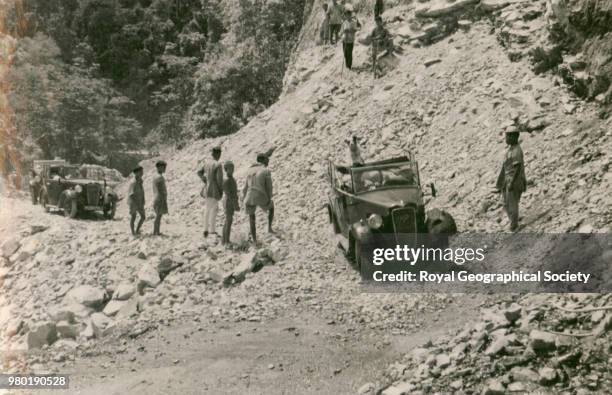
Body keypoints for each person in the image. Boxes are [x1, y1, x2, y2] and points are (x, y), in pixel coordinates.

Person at [496, 126, 527, 232]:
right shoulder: (510, 149)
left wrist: (512, 182)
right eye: (506, 135)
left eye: (509, 136)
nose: (506, 138)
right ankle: (513, 222)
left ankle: (514, 226)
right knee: (506, 203)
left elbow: (518, 168)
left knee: (512, 203)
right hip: (507, 180)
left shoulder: (517, 151)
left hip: (514, 180)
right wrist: (500, 182)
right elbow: (505, 167)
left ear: (515, 137)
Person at [243, 153, 274, 244]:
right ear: (263, 160)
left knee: (252, 217)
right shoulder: (266, 170)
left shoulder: (250, 171)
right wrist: (269, 197)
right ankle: (269, 228)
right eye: (267, 159)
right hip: (260, 195)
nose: (268, 161)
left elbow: (245, 187)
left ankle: (254, 239)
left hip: (249, 196)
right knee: (271, 207)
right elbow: (269, 187)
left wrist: (244, 198)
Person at [198, 146, 223, 237]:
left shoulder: (206, 162)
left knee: (207, 208)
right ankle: (212, 230)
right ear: (217, 153)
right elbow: (219, 180)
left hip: (207, 187)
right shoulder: (217, 164)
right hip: (214, 188)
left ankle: (205, 229)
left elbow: (199, 172)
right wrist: (221, 190)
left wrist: (204, 179)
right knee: (214, 209)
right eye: (219, 153)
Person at [221, 161, 240, 245]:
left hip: (231, 201)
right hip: (228, 202)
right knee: (228, 220)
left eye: (233, 168)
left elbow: (234, 193)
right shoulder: (226, 180)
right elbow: (229, 194)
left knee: (228, 220)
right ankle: (226, 241)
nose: (232, 170)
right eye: (230, 168)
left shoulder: (231, 179)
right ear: (226, 169)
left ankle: (224, 240)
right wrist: (235, 204)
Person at [128, 166, 146, 236]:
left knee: (143, 217)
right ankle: (133, 232)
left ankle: (137, 230)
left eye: (142, 172)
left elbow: (142, 191)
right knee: (133, 217)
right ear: (136, 173)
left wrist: (143, 200)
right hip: (133, 202)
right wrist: (137, 203)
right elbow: (131, 194)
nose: (142, 173)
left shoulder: (140, 181)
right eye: (140, 172)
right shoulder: (133, 182)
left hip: (140, 201)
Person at [152, 160, 168, 236]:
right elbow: (161, 189)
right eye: (163, 167)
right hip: (159, 198)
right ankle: (156, 232)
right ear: (159, 167)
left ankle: (156, 231)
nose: (165, 169)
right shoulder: (159, 177)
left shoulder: (156, 176)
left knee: (159, 215)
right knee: (158, 216)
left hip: (157, 197)